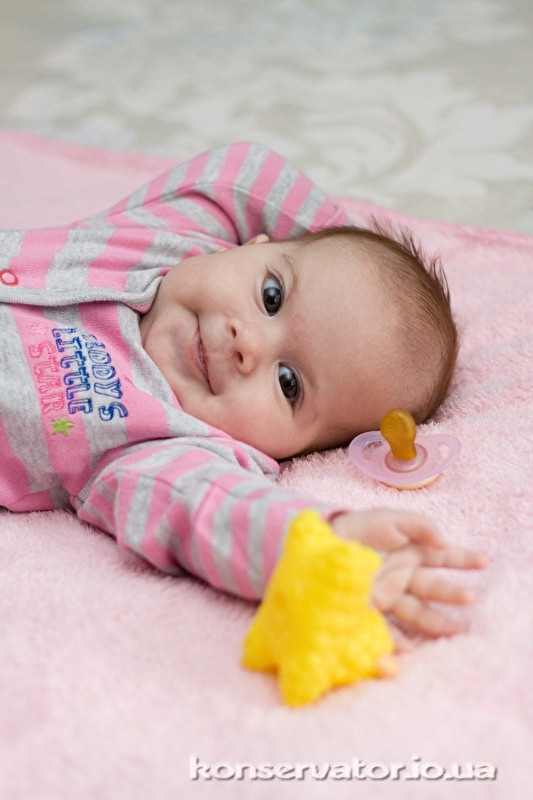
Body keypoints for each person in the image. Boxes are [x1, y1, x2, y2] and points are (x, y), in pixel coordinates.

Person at [0, 141, 486, 649]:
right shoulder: (173, 239)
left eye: (288, 384)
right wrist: (345, 250)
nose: (247, 343)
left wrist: (322, 545)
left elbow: (214, 511)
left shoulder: (164, 443)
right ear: (254, 245)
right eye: (271, 296)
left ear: (293, 450)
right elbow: (246, 172)